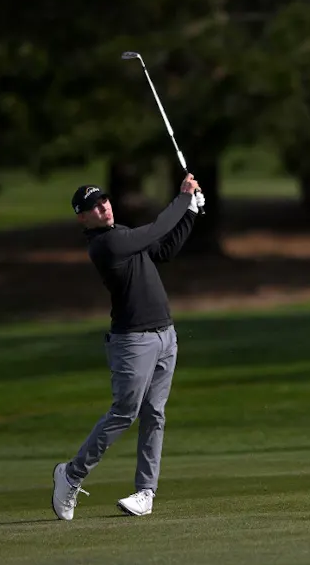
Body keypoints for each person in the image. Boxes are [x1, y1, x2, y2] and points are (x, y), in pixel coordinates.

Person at [51, 174, 204, 520]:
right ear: (83, 218)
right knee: (124, 412)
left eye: (103, 200)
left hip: (166, 335)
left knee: (155, 415)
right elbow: (155, 230)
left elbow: (164, 249)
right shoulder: (105, 245)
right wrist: (184, 199)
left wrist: (191, 212)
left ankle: (146, 492)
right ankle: (71, 474)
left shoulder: (122, 235)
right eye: (93, 207)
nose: (103, 207)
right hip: (133, 341)